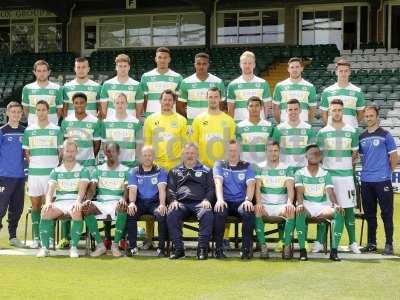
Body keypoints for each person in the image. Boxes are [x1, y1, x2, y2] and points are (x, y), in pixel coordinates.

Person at [316, 99, 360, 254]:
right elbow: (319, 156)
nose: (336, 113)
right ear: (329, 112)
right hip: (329, 177)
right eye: (333, 110)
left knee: (348, 210)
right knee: (325, 209)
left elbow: (354, 154)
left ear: (343, 111)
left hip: (346, 178)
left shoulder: (352, 131)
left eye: (339, 110)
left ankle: (353, 242)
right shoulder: (322, 132)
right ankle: (320, 242)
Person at [60, 92, 102, 248]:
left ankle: (91, 237)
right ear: (73, 104)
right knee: (68, 198)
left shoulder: (94, 121)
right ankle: (66, 237)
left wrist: (89, 159)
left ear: (86, 104)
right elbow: (64, 145)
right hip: (71, 167)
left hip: (89, 166)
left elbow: (97, 144)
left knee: (86, 201)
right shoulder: (66, 121)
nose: (79, 105)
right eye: (76, 102)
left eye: (81, 103)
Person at [36, 139, 89, 258]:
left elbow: (82, 191)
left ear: (76, 152)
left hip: (74, 200)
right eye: (67, 151)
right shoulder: (56, 171)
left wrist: (78, 202)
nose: (70, 154)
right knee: (46, 211)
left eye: (72, 151)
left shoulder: (83, 170)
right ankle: (45, 248)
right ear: (62, 152)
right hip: (60, 202)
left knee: (76, 211)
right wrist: (48, 202)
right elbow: (50, 191)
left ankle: (73, 247)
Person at [23, 100, 63, 248]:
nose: (41, 112)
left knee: (49, 205)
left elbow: (60, 153)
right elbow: (27, 153)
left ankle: (50, 237)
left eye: (43, 110)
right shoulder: (29, 130)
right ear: (35, 112)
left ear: (48, 111)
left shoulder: (56, 130)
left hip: (50, 174)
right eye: (38, 110)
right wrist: (35, 164)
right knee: (35, 205)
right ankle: (36, 237)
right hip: (34, 174)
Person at [294, 144, 345, 261]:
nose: (315, 155)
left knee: (339, 212)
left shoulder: (325, 173)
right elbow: (300, 193)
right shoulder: (300, 173)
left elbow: (330, 192)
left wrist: (336, 204)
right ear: (306, 156)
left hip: (322, 207)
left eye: (317, 153)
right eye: (312, 153)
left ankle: (334, 252)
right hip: (306, 205)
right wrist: (300, 204)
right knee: (299, 212)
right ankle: (303, 251)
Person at [359, 106, 398, 255]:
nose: (369, 118)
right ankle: (371, 243)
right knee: (369, 214)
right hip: (366, 181)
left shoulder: (386, 135)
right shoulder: (361, 137)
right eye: (366, 116)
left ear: (377, 117)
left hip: (383, 180)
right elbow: (361, 156)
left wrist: (388, 172)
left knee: (386, 213)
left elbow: (394, 157)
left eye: (371, 116)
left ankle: (389, 244)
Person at [167, 143, 214, 260]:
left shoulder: (206, 170)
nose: (190, 155)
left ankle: (202, 249)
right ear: (183, 154)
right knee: (172, 213)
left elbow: (211, 188)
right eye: (187, 153)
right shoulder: (174, 171)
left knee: (207, 214)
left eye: (192, 153)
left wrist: (207, 199)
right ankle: (179, 249)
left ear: (197, 154)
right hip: (181, 204)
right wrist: (173, 200)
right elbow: (170, 189)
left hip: (200, 203)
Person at [83, 142, 129, 257]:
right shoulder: (97, 170)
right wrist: (88, 199)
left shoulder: (126, 170)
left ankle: (115, 245)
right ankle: (100, 245)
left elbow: (127, 189)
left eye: (113, 151)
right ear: (105, 153)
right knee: (86, 208)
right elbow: (92, 188)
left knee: (123, 206)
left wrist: (124, 198)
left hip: (117, 202)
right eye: (108, 151)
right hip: (101, 202)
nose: (110, 154)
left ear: (118, 153)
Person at [213, 140, 255, 259]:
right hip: (225, 201)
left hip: (241, 202)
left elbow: (251, 184)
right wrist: (220, 200)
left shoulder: (247, 165)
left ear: (239, 151)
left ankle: (246, 249)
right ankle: (219, 249)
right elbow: (218, 182)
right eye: (230, 150)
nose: (233, 153)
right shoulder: (219, 164)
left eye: (235, 150)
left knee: (247, 212)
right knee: (220, 212)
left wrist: (248, 200)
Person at [254, 141, 296, 259]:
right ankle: (263, 246)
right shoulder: (259, 167)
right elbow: (257, 189)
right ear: (266, 152)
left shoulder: (287, 168)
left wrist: (289, 203)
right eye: (270, 150)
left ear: (279, 152)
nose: (273, 153)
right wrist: (259, 203)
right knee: (257, 209)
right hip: (265, 205)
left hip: (281, 206)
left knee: (291, 210)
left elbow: (290, 189)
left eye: (276, 150)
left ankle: (286, 247)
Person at [126, 146, 168, 257]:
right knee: (130, 213)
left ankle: (161, 248)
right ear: (140, 157)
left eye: (149, 155)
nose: (147, 158)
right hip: (139, 202)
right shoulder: (133, 171)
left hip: (155, 203)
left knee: (162, 214)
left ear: (153, 157)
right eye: (145, 155)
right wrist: (131, 203)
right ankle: (133, 247)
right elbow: (133, 190)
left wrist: (162, 204)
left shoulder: (160, 170)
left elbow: (162, 189)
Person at [0, 102, 26, 248]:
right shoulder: (2, 131)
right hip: (4, 177)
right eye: (13, 112)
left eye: (18, 112)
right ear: (8, 113)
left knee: (17, 208)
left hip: (20, 177)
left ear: (22, 114)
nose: (16, 114)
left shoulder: (25, 131)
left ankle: (13, 237)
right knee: (0, 208)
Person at [191, 87, 236, 168]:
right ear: (206, 98)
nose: (213, 100)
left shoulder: (229, 121)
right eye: (210, 97)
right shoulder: (198, 120)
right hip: (203, 168)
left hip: (223, 167)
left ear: (220, 99)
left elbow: (232, 146)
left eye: (216, 97)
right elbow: (194, 145)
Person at [144, 89, 187, 171]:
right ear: (160, 101)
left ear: (174, 102)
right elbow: (147, 144)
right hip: (156, 165)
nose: (167, 102)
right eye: (165, 100)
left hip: (176, 166)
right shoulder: (150, 119)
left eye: (170, 100)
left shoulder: (182, 120)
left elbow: (185, 145)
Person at [178, 52, 225, 124]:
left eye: (204, 64)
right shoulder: (186, 82)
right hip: (192, 122)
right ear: (195, 65)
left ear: (208, 65)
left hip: (211, 122)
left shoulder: (218, 82)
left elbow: (221, 104)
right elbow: (180, 105)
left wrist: (215, 117)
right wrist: (188, 118)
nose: (201, 66)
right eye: (198, 64)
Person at [227, 51, 271, 123]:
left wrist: (264, 122)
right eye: (244, 63)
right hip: (239, 124)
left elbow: (267, 106)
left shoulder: (263, 83)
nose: (247, 66)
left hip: (259, 124)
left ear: (254, 65)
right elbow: (230, 109)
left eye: (250, 63)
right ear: (240, 65)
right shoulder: (232, 85)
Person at [320, 59, 365, 128]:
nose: (343, 74)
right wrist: (331, 126)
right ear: (336, 72)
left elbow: (361, 114)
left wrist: (351, 124)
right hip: (332, 131)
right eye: (341, 71)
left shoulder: (358, 91)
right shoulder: (327, 91)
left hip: (351, 131)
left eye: (346, 71)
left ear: (349, 72)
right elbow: (324, 113)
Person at [272, 99, 315, 172]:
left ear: (300, 110)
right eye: (290, 109)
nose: (293, 112)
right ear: (286, 111)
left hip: (303, 169)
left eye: (295, 109)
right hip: (284, 169)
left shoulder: (308, 128)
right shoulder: (278, 129)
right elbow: (274, 151)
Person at [141, 47, 183, 117]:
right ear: (155, 59)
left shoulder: (178, 77)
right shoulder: (146, 76)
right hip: (151, 116)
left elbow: (179, 100)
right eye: (159, 57)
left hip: (171, 116)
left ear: (169, 59)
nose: (162, 60)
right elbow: (144, 99)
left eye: (165, 58)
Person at [102, 93, 141, 168]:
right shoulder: (106, 122)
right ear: (113, 104)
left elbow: (139, 144)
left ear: (127, 104)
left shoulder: (135, 122)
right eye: (117, 103)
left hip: (130, 164)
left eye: (122, 102)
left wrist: (136, 161)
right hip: (112, 164)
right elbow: (104, 144)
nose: (120, 105)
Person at [273, 57, 317, 124]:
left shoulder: (310, 87)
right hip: (284, 125)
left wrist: (307, 124)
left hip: (303, 125)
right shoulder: (279, 86)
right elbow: (275, 108)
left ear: (302, 68)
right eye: (292, 67)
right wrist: (281, 123)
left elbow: (312, 109)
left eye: (297, 67)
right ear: (288, 69)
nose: (294, 69)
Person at [100, 54, 144, 119]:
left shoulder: (137, 85)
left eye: (125, 66)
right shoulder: (107, 84)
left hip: (129, 124)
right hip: (111, 124)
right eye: (120, 66)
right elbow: (103, 110)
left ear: (129, 67)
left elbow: (139, 111)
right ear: (116, 67)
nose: (122, 69)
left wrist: (135, 121)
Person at [236, 96, 274, 168]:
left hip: (264, 167)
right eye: (251, 106)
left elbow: (272, 148)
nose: (254, 108)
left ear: (261, 107)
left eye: (257, 105)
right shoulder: (239, 126)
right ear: (247, 108)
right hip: (246, 167)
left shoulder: (269, 126)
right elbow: (237, 148)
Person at [22, 60, 63, 125]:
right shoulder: (27, 88)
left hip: (52, 127)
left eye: (44, 71)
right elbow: (25, 108)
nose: (41, 73)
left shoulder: (57, 88)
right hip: (33, 127)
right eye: (39, 71)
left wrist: (54, 122)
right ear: (34, 72)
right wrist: (32, 121)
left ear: (49, 72)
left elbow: (59, 109)